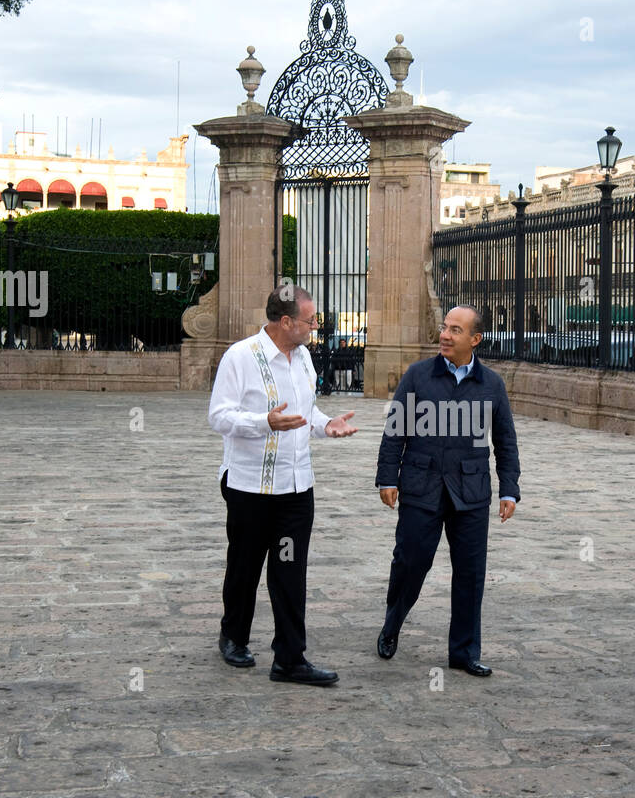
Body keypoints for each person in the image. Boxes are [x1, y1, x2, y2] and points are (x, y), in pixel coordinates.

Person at [208, 285, 358, 686]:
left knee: (290, 571)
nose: (315, 327)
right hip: (250, 487)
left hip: (296, 487)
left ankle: (290, 658)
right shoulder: (240, 357)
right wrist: (263, 423)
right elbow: (219, 416)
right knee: (245, 565)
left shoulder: (304, 358)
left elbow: (305, 412)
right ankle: (234, 636)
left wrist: (326, 425)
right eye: (310, 320)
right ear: (286, 321)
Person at [375, 306, 520, 676]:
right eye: (444, 327)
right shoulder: (418, 376)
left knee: (471, 573)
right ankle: (392, 625)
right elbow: (395, 432)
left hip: (471, 491)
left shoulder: (492, 384)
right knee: (410, 563)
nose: (445, 335)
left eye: (455, 330)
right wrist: (387, 478)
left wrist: (510, 489)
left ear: (475, 339)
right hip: (421, 487)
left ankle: (464, 652)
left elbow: (505, 440)